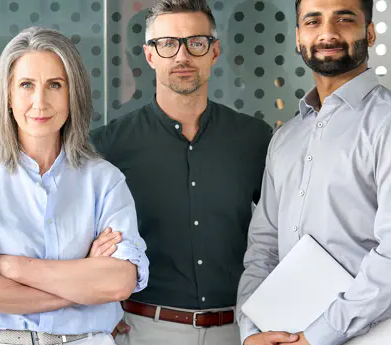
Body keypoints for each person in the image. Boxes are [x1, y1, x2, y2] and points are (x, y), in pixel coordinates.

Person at [237, 0, 391, 344]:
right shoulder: (285, 139)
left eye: (344, 19)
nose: (327, 33)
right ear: (298, 37)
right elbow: (263, 247)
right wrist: (252, 329)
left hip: (376, 332)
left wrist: (318, 335)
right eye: (313, 21)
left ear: (370, 32)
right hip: (288, 329)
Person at [0, 27, 150, 345]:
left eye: (54, 85)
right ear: (7, 96)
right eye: (26, 85)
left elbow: (119, 283)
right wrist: (83, 281)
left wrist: (9, 267)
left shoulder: (106, 181)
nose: (40, 101)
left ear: (72, 93)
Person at [91, 1, 272, 344]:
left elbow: (281, 235)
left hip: (239, 330)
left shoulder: (255, 139)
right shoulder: (108, 147)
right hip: (143, 329)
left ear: (214, 51)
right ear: (150, 55)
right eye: (168, 44)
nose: (182, 56)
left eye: (196, 43)